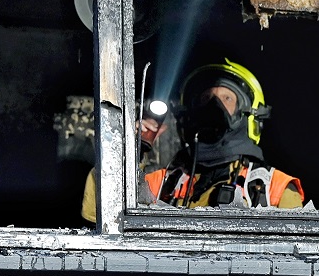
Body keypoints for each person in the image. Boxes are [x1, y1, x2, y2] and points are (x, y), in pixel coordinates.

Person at [81, 59, 303, 222]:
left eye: (226, 98)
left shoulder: (274, 188)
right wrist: (126, 153)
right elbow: (99, 213)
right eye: (206, 98)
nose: (214, 105)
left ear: (248, 112)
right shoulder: (163, 184)